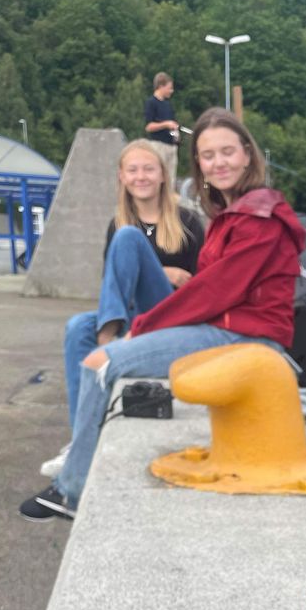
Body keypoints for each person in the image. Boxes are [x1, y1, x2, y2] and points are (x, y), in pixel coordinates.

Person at [20, 109, 306, 522]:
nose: (218, 162)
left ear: (248, 154)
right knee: (82, 332)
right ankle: (80, 448)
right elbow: (211, 290)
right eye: (208, 156)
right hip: (224, 325)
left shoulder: (258, 219)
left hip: (244, 335)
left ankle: (71, 492)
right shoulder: (235, 213)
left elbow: (215, 290)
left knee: (100, 363)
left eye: (227, 152)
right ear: (199, 166)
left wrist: (142, 328)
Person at [38, 139, 204, 480]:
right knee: (75, 327)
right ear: (122, 177)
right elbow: (113, 286)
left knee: (129, 238)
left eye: (148, 169)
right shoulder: (116, 222)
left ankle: (107, 338)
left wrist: (159, 275)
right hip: (130, 312)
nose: (140, 176)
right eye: (133, 170)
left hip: (169, 316)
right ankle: (80, 441)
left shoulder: (187, 221)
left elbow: (196, 288)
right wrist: (163, 271)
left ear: (163, 175)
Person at [143, 72, 180, 189]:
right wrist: (165, 124)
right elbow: (149, 126)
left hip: (171, 145)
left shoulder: (168, 105)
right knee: (158, 176)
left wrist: (176, 134)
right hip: (158, 145)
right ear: (161, 86)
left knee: (171, 179)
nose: (171, 91)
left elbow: (172, 123)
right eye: (169, 88)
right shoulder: (151, 103)